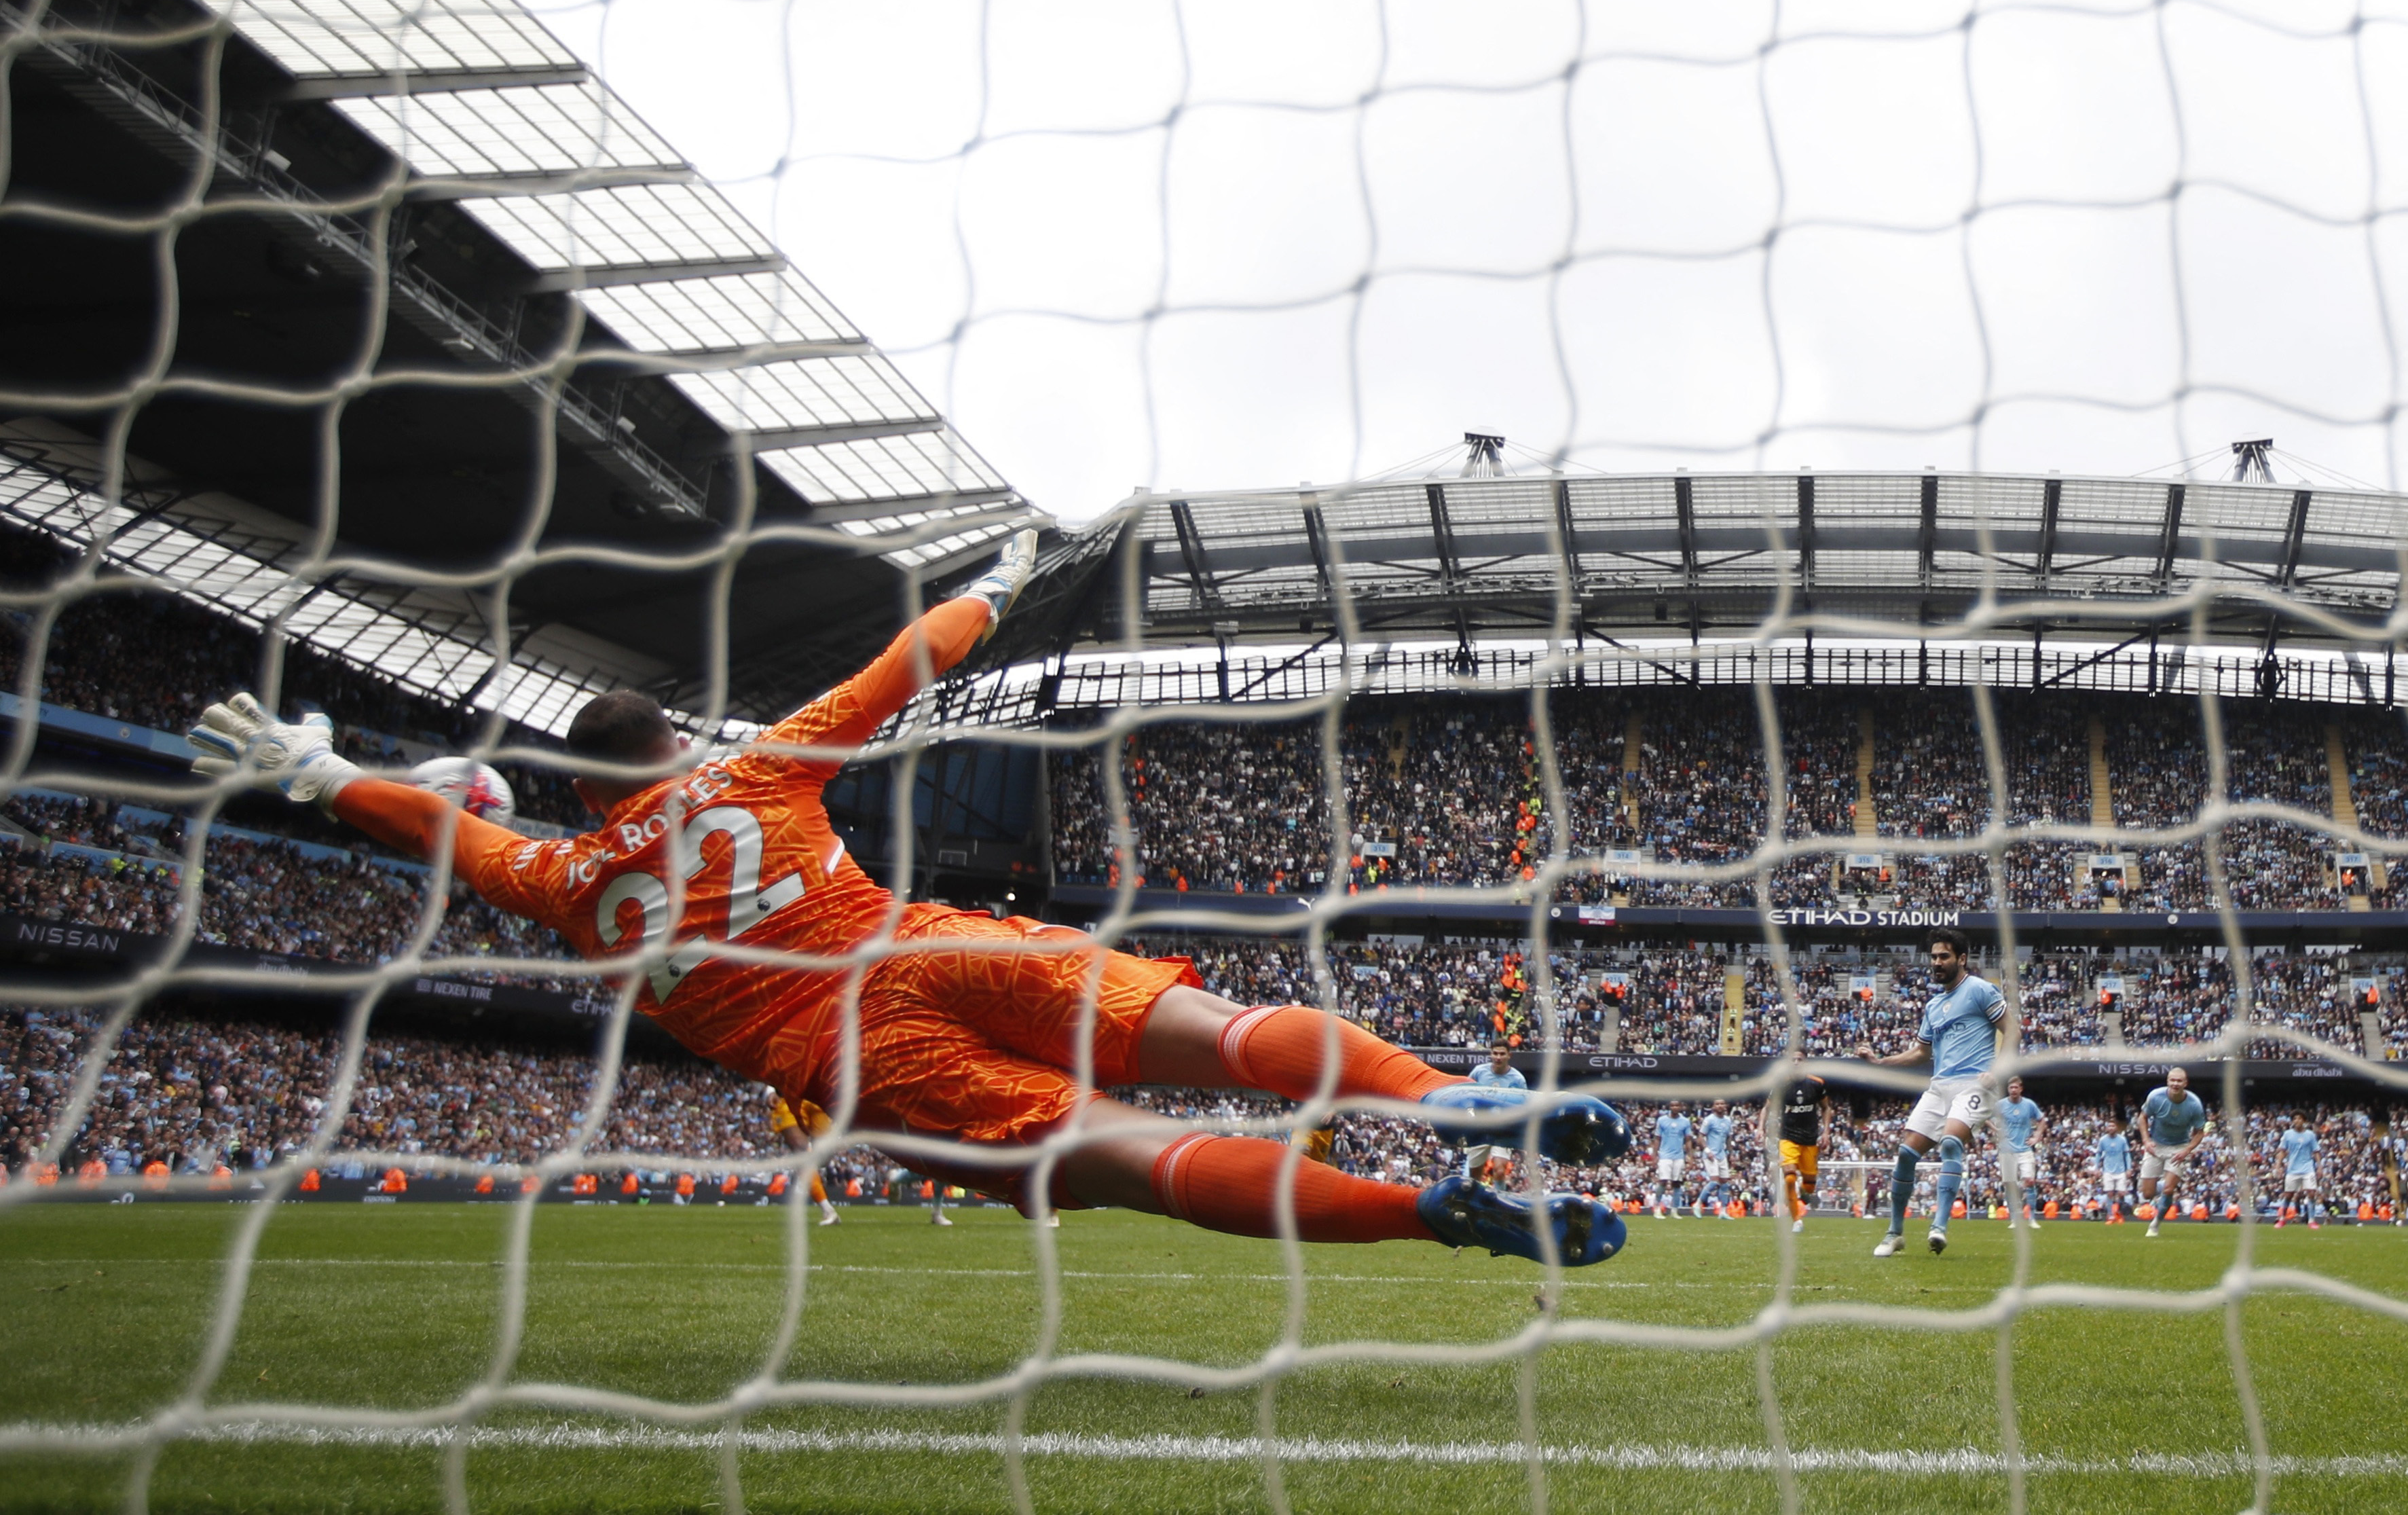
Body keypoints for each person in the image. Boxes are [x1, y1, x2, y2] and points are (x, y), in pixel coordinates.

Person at [186, 537, 1631, 1266]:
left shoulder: (566, 878)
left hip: (864, 1058)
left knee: (1149, 1156)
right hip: (928, 943)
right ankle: (1445, 1091)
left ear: (578, 791)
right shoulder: (749, 772)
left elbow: (448, 835)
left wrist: (321, 778)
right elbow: (904, 665)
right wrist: (1002, 587)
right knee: (1226, 1026)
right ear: (670, 748)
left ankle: (1430, 1207)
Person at [1855, 928, 2005, 1257]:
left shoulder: (1982, 991)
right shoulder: (1934, 1005)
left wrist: (1998, 1071)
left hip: (1976, 1084)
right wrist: (1881, 1061)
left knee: (1951, 1141)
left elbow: (2014, 1030)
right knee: (1907, 1154)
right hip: (1940, 1086)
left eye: (1944, 957)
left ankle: (1939, 1227)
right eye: (1934, 957)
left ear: (1961, 959)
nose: (1937, 963)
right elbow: (1921, 1053)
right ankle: (1895, 1233)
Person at [2136, 1067, 2208, 1239]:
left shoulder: (2194, 1104)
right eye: (2172, 1080)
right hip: (2156, 1146)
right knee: (2147, 1193)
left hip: (2179, 1148)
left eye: (2179, 1081)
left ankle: (2155, 1224)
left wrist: (2187, 1150)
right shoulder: (2156, 1097)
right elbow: (2142, 1118)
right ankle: (2161, 1186)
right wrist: (2146, 1140)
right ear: (2168, 1081)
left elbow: (2200, 1131)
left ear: (2185, 1083)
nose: (2175, 1084)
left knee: (2168, 1189)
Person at [768, 1095, 845, 1227]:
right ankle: (828, 1210)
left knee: (823, 1157)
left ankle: (808, 1176)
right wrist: (768, 1091)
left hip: (815, 1097)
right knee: (801, 1151)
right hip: (787, 1097)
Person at [1460, 1042, 1525, 1184]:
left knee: (1500, 1171)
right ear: (1491, 1054)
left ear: (1509, 1055)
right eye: (1495, 1053)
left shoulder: (1518, 1079)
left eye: (1502, 1054)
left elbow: (1523, 1106)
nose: (1498, 1057)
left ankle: (1499, 1201)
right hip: (1480, 1127)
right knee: (1474, 1176)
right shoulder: (1479, 1072)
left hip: (1503, 1129)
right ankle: (1474, 1201)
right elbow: (1466, 1095)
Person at [1771, 1072, 1826, 1234]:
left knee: (1809, 1187)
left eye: (1799, 1059)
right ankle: (1797, 1221)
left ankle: (1802, 1193)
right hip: (1788, 1138)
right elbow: (1768, 1106)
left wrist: (1826, 1132)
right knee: (1789, 1177)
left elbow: (1826, 1108)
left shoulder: (1816, 1083)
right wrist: (1761, 1128)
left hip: (1809, 1139)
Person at [1996, 1076, 2044, 1230]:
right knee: (2010, 1184)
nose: (2014, 1090)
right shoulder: (2001, 1105)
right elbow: (1986, 1117)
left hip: (2024, 1150)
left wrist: (2037, 1136)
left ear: (2021, 1089)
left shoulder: (2029, 1105)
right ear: (2008, 1089)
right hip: (2007, 1151)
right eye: (2011, 1088)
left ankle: (2031, 1218)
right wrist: (1994, 1129)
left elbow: (2042, 1120)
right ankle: (2015, 1219)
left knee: (2029, 1181)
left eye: (2016, 1088)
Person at [2275, 1112, 2322, 1230]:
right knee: (2288, 1195)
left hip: (2308, 1168)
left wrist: (2320, 1166)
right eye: (2295, 1119)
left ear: (2304, 1121)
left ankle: (2311, 1220)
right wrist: (2278, 1166)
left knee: (2311, 1193)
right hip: (2293, 1169)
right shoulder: (2288, 1134)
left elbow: (2316, 1151)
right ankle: (2282, 1219)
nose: (2297, 1121)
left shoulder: (2310, 1135)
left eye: (2299, 1119)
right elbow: (2282, 1151)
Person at [1697, 1098, 1735, 1218]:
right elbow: (1700, 1137)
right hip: (1711, 1155)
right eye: (1717, 1104)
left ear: (1726, 1106)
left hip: (1722, 1155)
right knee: (1714, 1181)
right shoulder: (1709, 1120)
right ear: (1713, 1107)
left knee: (1725, 1183)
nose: (1720, 1106)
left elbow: (1729, 1138)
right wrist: (1707, 1151)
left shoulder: (1728, 1121)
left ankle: (1723, 1212)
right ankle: (1698, 1204)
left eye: (1722, 1104)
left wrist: (1731, 1154)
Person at [1652, 1102, 1690, 1219]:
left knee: (1677, 1183)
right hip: (1665, 1155)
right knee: (1663, 1181)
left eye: (1677, 1106)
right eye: (1673, 1106)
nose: (1675, 1108)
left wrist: (1690, 1156)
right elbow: (1657, 1138)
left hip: (1679, 1155)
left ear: (1681, 1107)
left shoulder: (1685, 1122)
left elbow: (1688, 1140)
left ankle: (1674, 1210)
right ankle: (1657, 1208)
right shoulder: (1662, 1120)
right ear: (1670, 1107)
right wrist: (1654, 1155)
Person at [2096, 1122, 2132, 1217]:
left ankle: (2120, 1213)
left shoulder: (2122, 1140)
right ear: (2107, 1128)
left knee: (2121, 1192)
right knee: (2110, 1193)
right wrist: (2097, 1168)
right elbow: (2099, 1153)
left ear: (2117, 1127)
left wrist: (2129, 1168)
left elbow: (2127, 1154)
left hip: (2120, 1170)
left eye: (2113, 1126)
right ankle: (2110, 1214)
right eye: (2109, 1126)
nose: (2111, 1128)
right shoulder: (2103, 1140)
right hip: (2108, 1170)